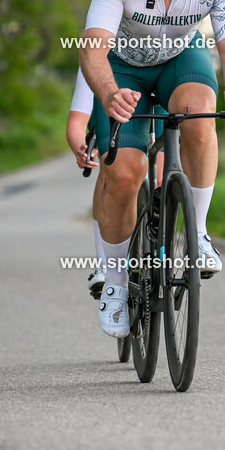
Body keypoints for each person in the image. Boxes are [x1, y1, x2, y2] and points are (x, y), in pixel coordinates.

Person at [78, 0, 225, 338]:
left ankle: (197, 234)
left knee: (200, 116)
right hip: (122, 69)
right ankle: (117, 286)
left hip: (180, 58)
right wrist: (108, 94)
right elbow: (93, 48)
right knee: (125, 174)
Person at [65, 70, 165, 301]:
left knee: (162, 174)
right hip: (116, 104)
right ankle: (105, 265)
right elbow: (77, 121)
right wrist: (81, 148)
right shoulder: (101, 55)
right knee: (113, 167)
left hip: (161, 99)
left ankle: (164, 248)